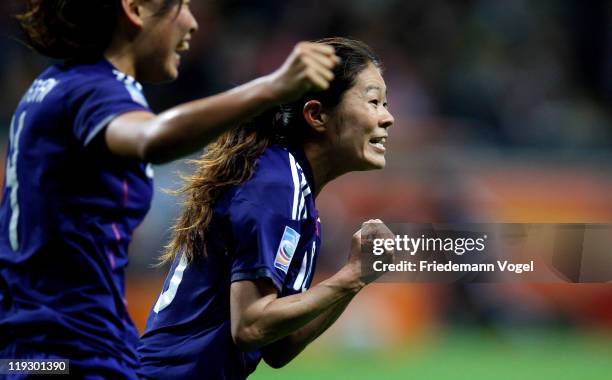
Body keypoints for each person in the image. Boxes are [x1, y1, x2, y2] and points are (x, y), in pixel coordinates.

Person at [0, 0, 340, 378]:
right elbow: (152, 137)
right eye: (182, 6)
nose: (192, 24)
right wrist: (270, 88)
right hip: (74, 352)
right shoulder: (95, 89)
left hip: (35, 351)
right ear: (134, 9)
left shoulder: (51, 85)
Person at [138, 37, 395, 379]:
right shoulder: (275, 184)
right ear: (316, 114)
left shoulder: (297, 195)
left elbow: (278, 348)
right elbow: (250, 327)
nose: (388, 117)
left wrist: (356, 277)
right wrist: (348, 279)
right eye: (374, 101)